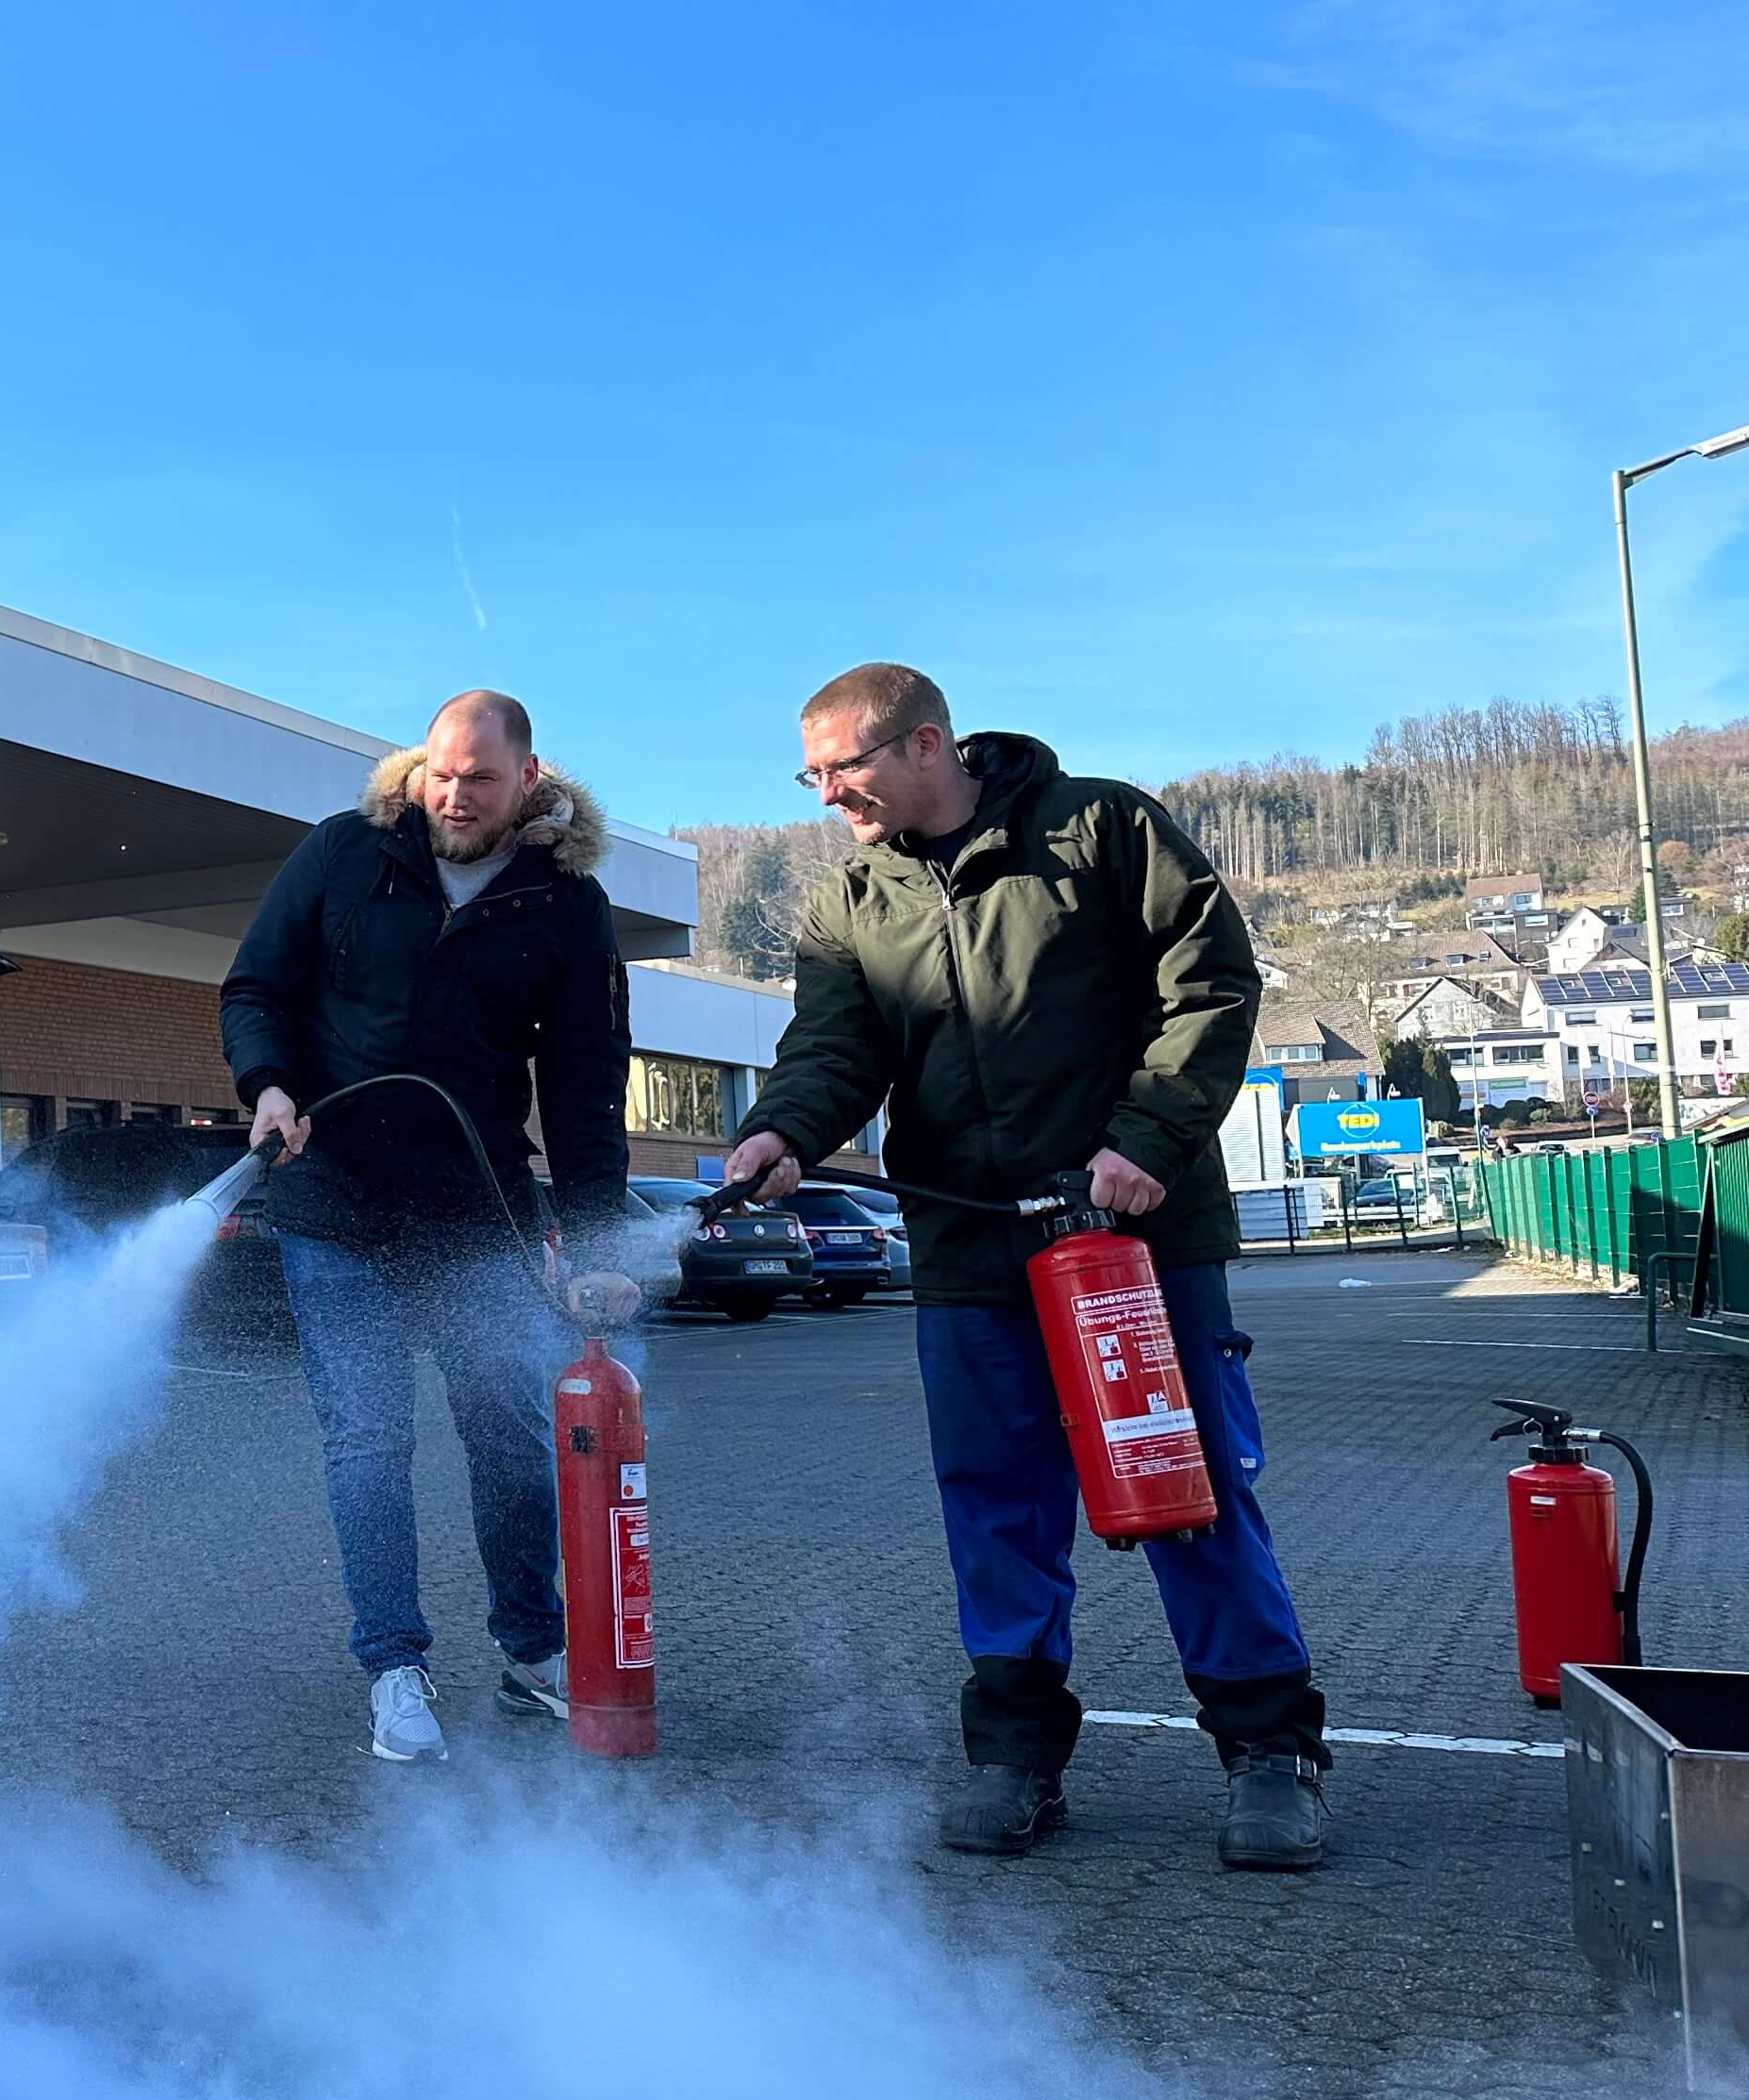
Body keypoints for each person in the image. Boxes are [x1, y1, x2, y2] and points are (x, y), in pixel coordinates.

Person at [722, 664, 1332, 1872]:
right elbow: (836, 1048)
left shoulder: (1100, 827)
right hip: (969, 1242)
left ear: (927, 744)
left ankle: (1271, 1751)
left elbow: (1208, 986)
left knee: (1184, 1486)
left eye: (841, 767)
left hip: (1129, 1235)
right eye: (813, 774)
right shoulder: (850, 904)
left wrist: (1145, 1143)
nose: (825, 793)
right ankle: (1016, 1756)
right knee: (995, 1498)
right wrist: (783, 1130)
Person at [219, 690, 639, 1763]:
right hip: (336, 1208)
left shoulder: (568, 904)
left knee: (507, 1433)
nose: (454, 795)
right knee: (368, 1442)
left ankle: (532, 1646)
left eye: (481, 779)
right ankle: (394, 1668)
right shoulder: (340, 854)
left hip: (479, 1213)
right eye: (441, 772)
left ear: (529, 780)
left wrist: (593, 1244)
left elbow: (586, 1088)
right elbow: (255, 987)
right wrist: (266, 1085)